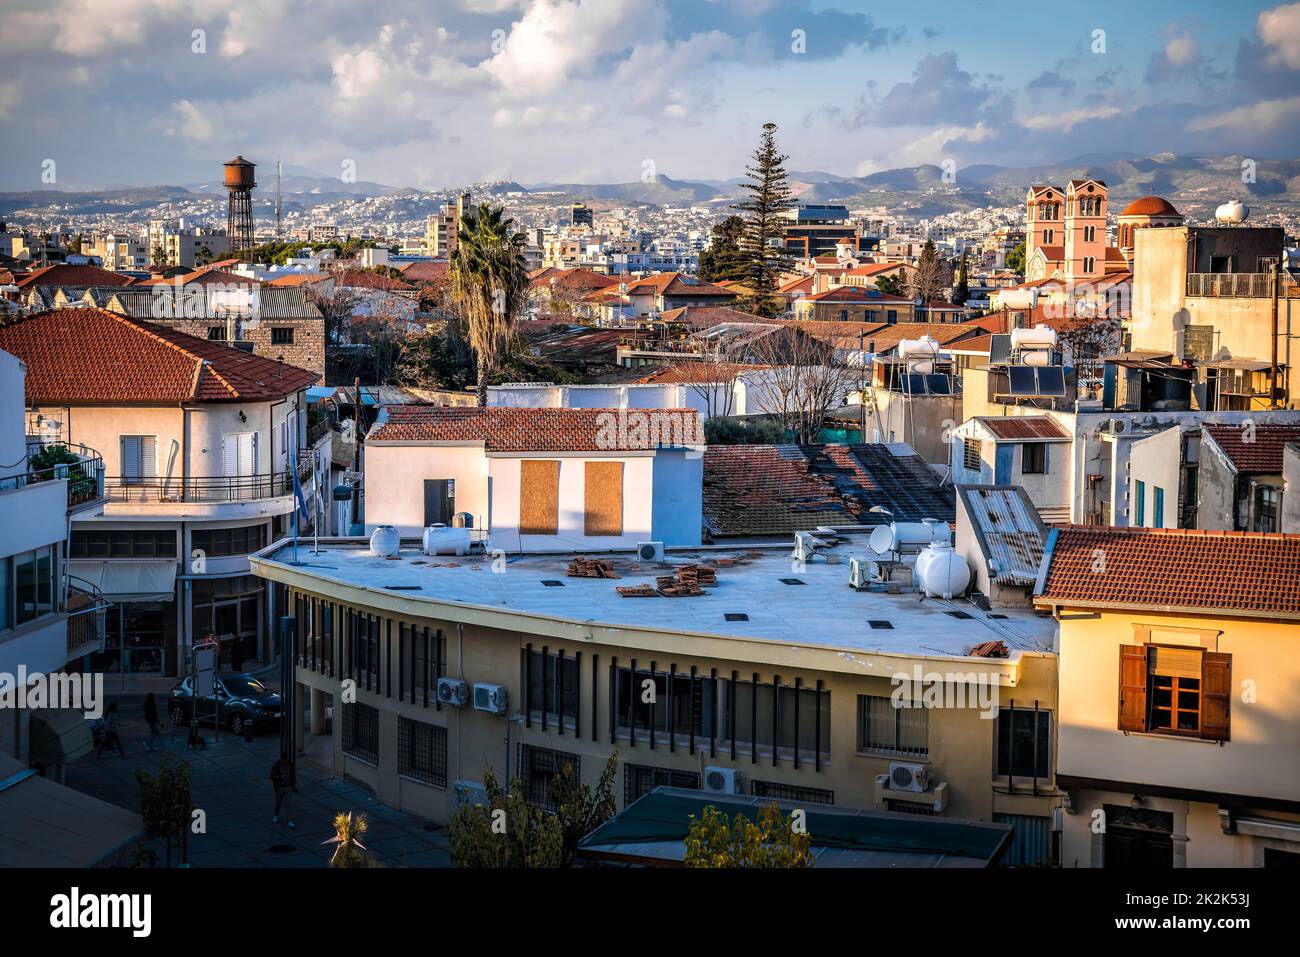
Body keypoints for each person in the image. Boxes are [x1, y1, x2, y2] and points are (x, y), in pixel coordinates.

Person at [271, 752, 295, 827]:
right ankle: (276, 815)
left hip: (288, 786)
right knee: (279, 802)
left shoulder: (290, 764)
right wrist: (280, 777)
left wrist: (293, 784)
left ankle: (290, 821)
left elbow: (292, 775)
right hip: (280, 787)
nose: (285, 761)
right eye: (284, 760)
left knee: (288, 804)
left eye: (286, 759)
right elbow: (272, 776)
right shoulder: (277, 765)